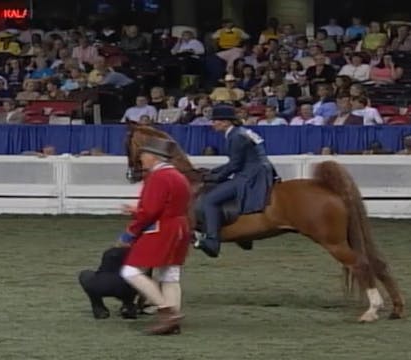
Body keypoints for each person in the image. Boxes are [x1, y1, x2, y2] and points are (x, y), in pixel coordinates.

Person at [119, 137, 192, 335]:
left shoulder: (157, 178)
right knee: (170, 275)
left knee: (130, 271)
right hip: (180, 227)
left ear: (153, 156)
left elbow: (150, 211)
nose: (141, 158)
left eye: (143, 155)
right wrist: (138, 210)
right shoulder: (178, 176)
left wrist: (130, 232)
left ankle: (166, 312)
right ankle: (172, 320)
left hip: (162, 229)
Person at [196, 105, 276, 258]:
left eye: (215, 121)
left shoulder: (235, 136)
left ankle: (212, 241)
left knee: (210, 200)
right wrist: (213, 171)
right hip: (257, 170)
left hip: (250, 176)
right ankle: (242, 235)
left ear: (226, 122)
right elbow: (235, 162)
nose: (213, 124)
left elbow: (235, 165)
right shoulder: (240, 132)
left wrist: (214, 178)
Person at [78, 247, 139, 319]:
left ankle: (98, 307)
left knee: (85, 274)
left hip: (100, 285)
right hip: (123, 288)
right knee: (138, 280)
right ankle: (128, 307)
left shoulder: (109, 253)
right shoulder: (132, 257)